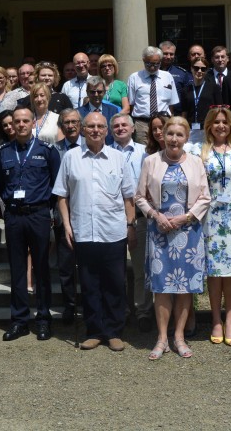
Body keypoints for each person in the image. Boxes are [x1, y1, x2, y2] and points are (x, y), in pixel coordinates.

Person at [54, 112, 136, 351]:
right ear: (83, 129)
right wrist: (67, 225)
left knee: (115, 284)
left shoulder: (118, 158)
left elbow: (128, 197)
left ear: (107, 131)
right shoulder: (71, 157)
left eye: (100, 126)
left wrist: (130, 226)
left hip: (113, 232)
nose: (96, 130)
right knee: (89, 285)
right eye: (91, 126)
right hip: (83, 231)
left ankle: (113, 331)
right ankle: (94, 330)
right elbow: (62, 195)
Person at [135, 117, 210, 359]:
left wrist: (185, 218)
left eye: (179, 134)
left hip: (188, 232)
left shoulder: (196, 162)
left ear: (186, 138)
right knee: (161, 288)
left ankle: (179, 337)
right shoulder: (151, 161)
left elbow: (205, 198)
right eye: (170, 134)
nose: (174, 139)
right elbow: (140, 197)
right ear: (163, 136)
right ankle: (161, 339)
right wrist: (155, 216)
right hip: (160, 232)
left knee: (185, 288)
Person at [0, 105, 62, 341]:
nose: (21, 125)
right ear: (12, 125)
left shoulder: (47, 151)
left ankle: (43, 319)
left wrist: (46, 209)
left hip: (38, 215)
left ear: (33, 123)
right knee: (17, 270)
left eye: (26, 121)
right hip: (14, 216)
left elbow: (57, 185)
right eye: (17, 121)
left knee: (41, 268)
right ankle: (19, 320)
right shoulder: (4, 152)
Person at [194, 107, 231, 346]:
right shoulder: (200, 151)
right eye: (216, 122)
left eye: (224, 122)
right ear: (209, 125)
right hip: (211, 217)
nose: (220, 126)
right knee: (214, 272)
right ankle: (216, 319)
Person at [110, 113, 153, 331]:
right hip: (112, 217)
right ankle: (121, 311)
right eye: (116, 126)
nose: (120, 128)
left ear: (133, 128)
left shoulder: (144, 152)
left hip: (139, 216)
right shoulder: (105, 152)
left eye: (124, 125)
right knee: (116, 270)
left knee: (140, 269)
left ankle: (142, 311)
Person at [51, 108, 83, 323]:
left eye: (74, 122)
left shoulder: (90, 146)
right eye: (66, 123)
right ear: (61, 126)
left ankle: (90, 304)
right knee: (65, 266)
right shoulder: (54, 150)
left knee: (88, 265)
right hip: (62, 215)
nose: (70, 126)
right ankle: (69, 305)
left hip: (87, 213)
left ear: (80, 124)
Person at [126, 46, 180, 144]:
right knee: (143, 150)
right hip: (142, 124)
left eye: (156, 64)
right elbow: (132, 104)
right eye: (149, 63)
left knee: (164, 149)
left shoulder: (167, 76)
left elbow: (171, 104)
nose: (152, 67)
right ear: (143, 60)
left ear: (160, 61)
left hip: (163, 122)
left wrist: (171, 122)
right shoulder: (134, 78)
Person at [180, 57, 219, 145]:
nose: (199, 71)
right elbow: (184, 112)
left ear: (207, 71)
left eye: (203, 69)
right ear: (191, 69)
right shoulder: (186, 90)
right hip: (190, 131)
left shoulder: (214, 88)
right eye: (196, 68)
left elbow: (218, 111)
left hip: (208, 130)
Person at [78, 76, 119, 144]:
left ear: (104, 92)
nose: (96, 94)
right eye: (92, 92)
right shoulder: (78, 113)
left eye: (99, 92)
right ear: (87, 92)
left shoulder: (113, 111)